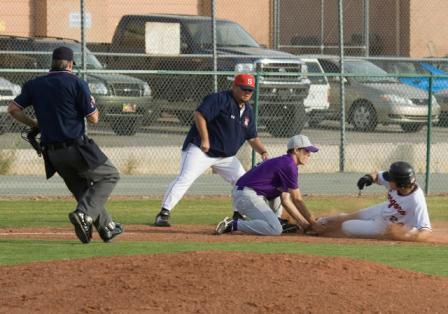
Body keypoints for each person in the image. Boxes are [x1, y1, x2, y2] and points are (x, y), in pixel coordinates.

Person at [7, 46, 123, 244]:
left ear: (52, 63)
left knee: (82, 190)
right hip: (77, 147)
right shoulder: (77, 83)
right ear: (70, 64)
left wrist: (36, 124)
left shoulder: (35, 84)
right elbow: (93, 118)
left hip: (53, 153)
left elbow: (13, 109)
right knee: (111, 175)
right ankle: (84, 214)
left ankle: (106, 227)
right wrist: (92, 103)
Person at [154, 74, 268, 227]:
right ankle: (163, 213)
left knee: (243, 182)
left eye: (250, 90)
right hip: (201, 151)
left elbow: (252, 137)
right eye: (244, 89)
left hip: (226, 157)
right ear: (234, 87)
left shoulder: (248, 110)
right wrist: (205, 139)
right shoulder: (219, 99)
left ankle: (238, 214)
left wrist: (263, 152)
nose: (247, 92)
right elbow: (199, 115)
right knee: (185, 178)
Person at [215, 134, 324, 236]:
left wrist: (305, 225)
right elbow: (297, 199)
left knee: (279, 193)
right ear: (296, 150)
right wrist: (313, 223)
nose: (309, 154)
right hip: (246, 195)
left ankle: (277, 221)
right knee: (275, 229)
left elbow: (286, 200)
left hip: (248, 193)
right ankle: (234, 224)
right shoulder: (289, 165)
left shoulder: (286, 163)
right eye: (306, 151)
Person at [316, 161, 432, 241]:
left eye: (390, 179)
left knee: (347, 226)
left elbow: (426, 231)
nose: (387, 180)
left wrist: (403, 236)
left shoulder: (417, 201)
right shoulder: (399, 184)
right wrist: (368, 178)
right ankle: (321, 221)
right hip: (384, 209)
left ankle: (327, 230)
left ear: (401, 184)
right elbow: (376, 175)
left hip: (386, 226)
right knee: (351, 216)